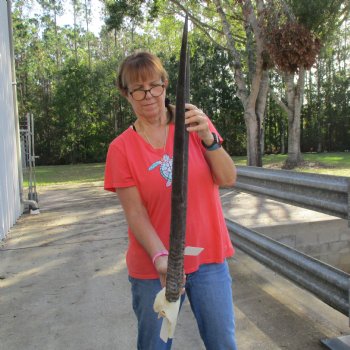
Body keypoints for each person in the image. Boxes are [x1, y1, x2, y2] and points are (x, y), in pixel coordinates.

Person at [104, 51, 238, 350]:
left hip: (207, 258)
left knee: (223, 343)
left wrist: (208, 138)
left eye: (155, 85)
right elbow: (135, 214)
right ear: (126, 94)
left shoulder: (194, 123)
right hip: (154, 266)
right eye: (137, 88)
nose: (148, 94)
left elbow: (228, 178)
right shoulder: (121, 149)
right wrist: (160, 258)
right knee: (155, 346)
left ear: (165, 84)